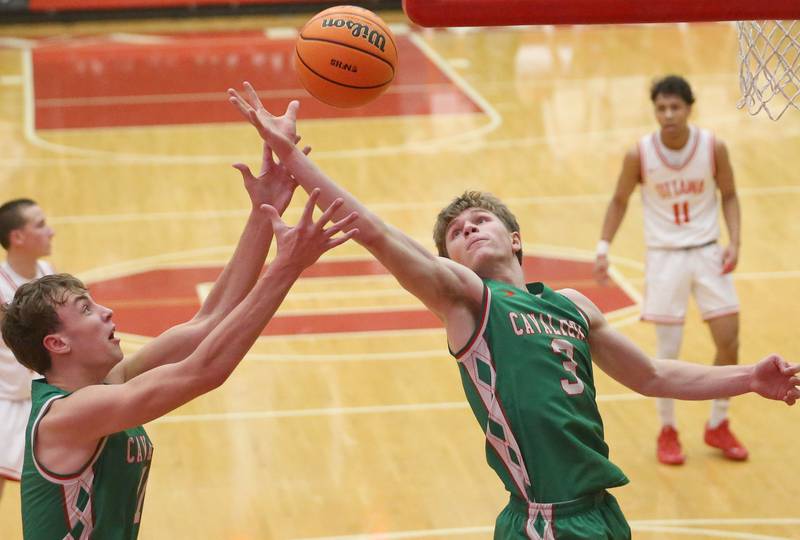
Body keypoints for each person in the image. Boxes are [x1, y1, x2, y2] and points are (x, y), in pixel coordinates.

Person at [228, 82, 800, 540]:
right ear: (449, 261)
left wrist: (748, 377)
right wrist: (288, 156)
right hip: (542, 519)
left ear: (517, 239)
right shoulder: (469, 302)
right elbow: (374, 231)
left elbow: (652, 375)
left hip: (602, 513)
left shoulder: (571, 305)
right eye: (455, 232)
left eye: (481, 221)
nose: (469, 228)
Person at [0, 121, 358, 539]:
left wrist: (265, 213)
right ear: (56, 343)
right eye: (86, 309)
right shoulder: (67, 415)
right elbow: (204, 370)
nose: (107, 311)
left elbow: (208, 322)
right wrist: (286, 266)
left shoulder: (106, 386)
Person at [593, 75, 745, 465]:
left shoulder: (713, 147)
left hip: (708, 253)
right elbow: (619, 200)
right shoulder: (639, 155)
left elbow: (728, 195)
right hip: (665, 258)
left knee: (729, 340)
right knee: (667, 352)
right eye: (661, 108)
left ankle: (718, 423)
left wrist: (736, 240)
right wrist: (603, 247)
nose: (668, 114)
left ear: (689, 108)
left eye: (675, 107)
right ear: (655, 111)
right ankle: (668, 429)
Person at [0, 199, 55, 502]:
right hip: (4, 400)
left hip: (39, 398)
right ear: (17, 237)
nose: (51, 231)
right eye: (40, 224)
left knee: (47, 494)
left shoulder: (47, 271)